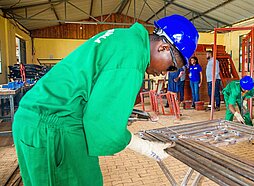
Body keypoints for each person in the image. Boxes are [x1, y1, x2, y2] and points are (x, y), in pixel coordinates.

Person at [12, 14, 199, 186]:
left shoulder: (125, 39)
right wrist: (146, 147)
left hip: (45, 121)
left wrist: (122, 111)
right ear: (163, 47)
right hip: (52, 129)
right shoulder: (131, 59)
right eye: (171, 67)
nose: (164, 73)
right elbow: (103, 125)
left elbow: (93, 91)